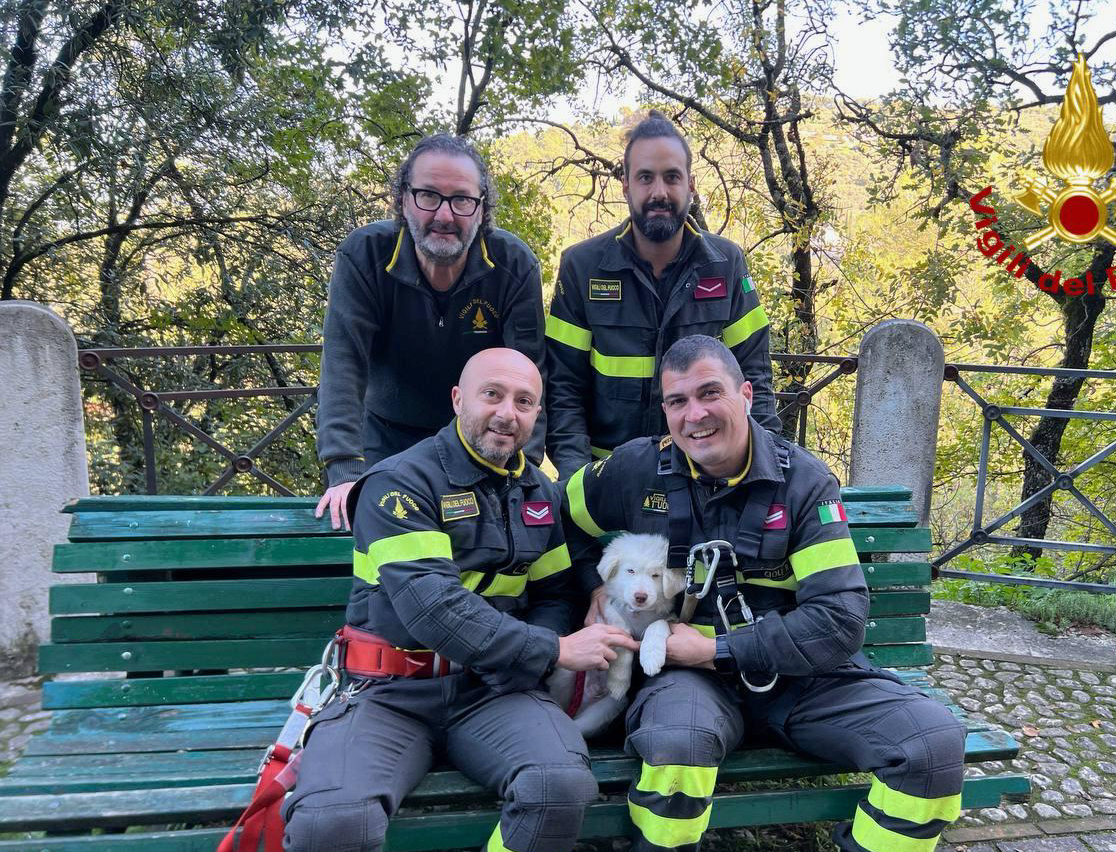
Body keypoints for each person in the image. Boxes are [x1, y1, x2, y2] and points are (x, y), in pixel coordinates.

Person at [561, 335, 966, 852]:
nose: (695, 415)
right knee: (675, 749)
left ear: (747, 394)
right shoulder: (636, 469)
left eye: (711, 393)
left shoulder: (805, 482)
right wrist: (594, 585)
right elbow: (551, 518)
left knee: (931, 746)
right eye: (677, 401)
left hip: (802, 680)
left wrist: (717, 650)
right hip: (688, 685)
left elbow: (840, 619)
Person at [284, 348, 638, 852]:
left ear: (537, 416)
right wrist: (551, 651)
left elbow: (555, 595)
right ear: (457, 399)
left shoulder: (541, 492)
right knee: (332, 824)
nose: (506, 413)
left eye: (524, 401)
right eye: (491, 394)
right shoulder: (399, 484)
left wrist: (523, 658)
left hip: (492, 691)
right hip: (390, 690)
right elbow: (433, 609)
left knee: (559, 787)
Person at [315, 134, 547, 530]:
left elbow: (531, 373)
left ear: (481, 208)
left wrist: (526, 467)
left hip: (476, 438)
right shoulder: (365, 255)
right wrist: (344, 468)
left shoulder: (515, 265)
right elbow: (343, 362)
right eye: (428, 196)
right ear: (403, 200)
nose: (444, 215)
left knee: (482, 543)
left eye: (461, 200)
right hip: (386, 437)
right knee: (383, 544)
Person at [544, 112, 780, 476]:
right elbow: (563, 388)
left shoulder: (726, 264)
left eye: (672, 177)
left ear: (690, 185)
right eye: (645, 178)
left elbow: (755, 379)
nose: (659, 193)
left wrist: (766, 467)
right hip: (610, 477)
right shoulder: (582, 267)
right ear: (626, 185)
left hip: (706, 474)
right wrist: (579, 481)